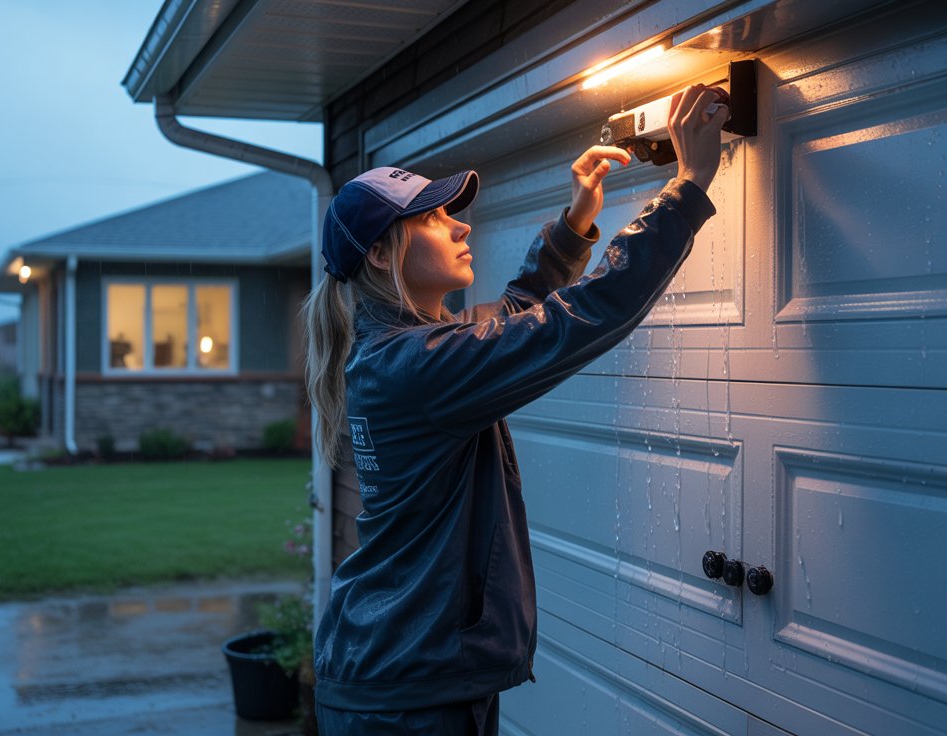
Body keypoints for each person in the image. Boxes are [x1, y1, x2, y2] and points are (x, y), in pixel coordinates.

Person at [304, 84, 729, 735]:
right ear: (383, 255)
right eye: (433, 217)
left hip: (396, 673)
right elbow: (578, 318)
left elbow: (510, 320)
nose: (461, 223)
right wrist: (687, 188)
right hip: (408, 693)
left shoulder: (398, 353)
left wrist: (575, 222)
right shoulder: (414, 367)